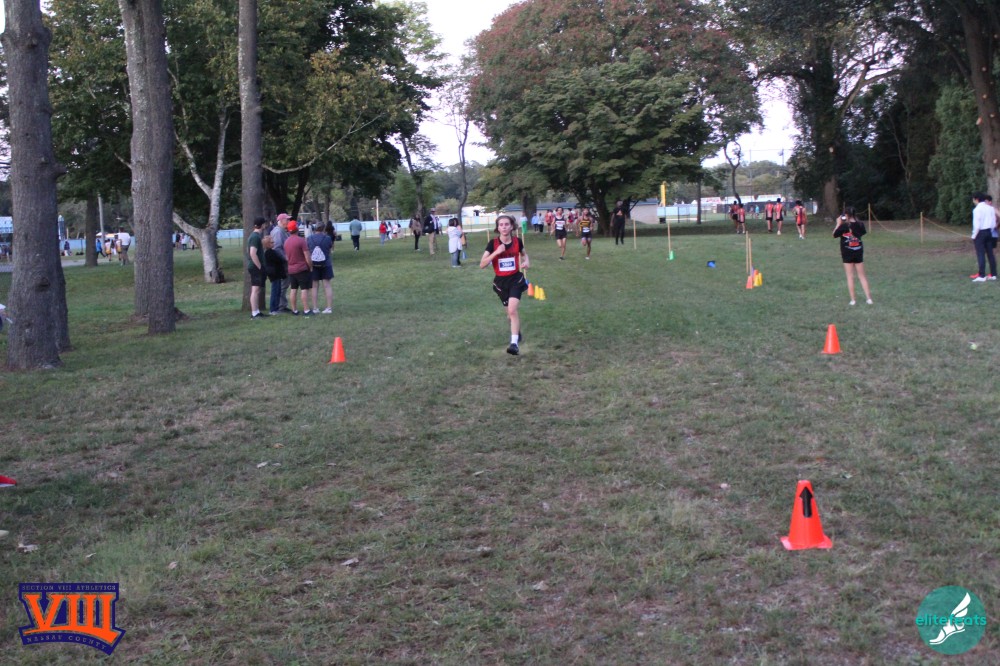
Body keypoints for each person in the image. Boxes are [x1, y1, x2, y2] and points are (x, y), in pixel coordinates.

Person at [480, 215, 530, 355]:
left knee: (512, 310)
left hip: (516, 280)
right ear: (498, 227)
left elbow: (524, 255)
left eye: (507, 224)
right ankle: (516, 331)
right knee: (509, 314)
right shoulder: (493, 244)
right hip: (501, 283)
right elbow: (482, 264)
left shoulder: (517, 241)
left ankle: (514, 344)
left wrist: (527, 262)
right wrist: (496, 252)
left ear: (511, 226)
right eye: (501, 225)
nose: (504, 227)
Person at [833, 206, 873, 305]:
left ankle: (853, 300)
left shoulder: (844, 226)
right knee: (862, 276)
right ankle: (869, 299)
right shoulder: (860, 224)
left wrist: (838, 223)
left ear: (846, 215)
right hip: (858, 251)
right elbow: (862, 233)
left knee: (850, 276)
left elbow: (834, 234)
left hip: (847, 252)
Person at [283, 221, 313, 315]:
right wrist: (310, 267)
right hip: (302, 268)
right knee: (304, 289)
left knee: (293, 289)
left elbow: (287, 256)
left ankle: (294, 310)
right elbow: (307, 256)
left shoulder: (286, 242)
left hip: (291, 269)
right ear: (297, 229)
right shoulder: (301, 241)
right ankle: (306, 310)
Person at [307, 222, 334, 313]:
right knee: (327, 286)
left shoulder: (309, 238)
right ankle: (329, 308)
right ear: (324, 229)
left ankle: (315, 308)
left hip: (313, 264)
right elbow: (329, 248)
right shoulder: (327, 238)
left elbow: (308, 250)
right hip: (326, 263)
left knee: (314, 286)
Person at [970, 192, 997, 282]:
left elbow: (976, 225)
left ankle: (982, 276)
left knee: (980, 254)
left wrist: (974, 235)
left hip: (980, 233)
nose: (973, 201)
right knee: (990, 254)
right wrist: (990, 230)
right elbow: (993, 223)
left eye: (973, 199)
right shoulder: (990, 208)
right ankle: (993, 274)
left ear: (976, 199)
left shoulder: (977, 209)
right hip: (989, 232)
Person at [270, 213, 291, 311]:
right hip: (282, 264)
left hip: (283, 263)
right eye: (287, 219)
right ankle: (280, 305)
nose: (289, 221)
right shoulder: (278, 232)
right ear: (281, 221)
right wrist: (286, 258)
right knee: (283, 284)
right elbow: (277, 248)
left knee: (285, 284)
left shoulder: (283, 231)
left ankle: (282, 304)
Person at [247, 217, 266, 318]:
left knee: (257, 290)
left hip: (256, 266)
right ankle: (254, 313)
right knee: (255, 290)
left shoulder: (256, 236)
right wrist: (260, 267)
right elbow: (252, 253)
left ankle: (257, 311)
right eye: (264, 224)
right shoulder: (255, 237)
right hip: (255, 267)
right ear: (262, 225)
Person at [262, 235, 286, 315]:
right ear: (268, 244)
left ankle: (276, 307)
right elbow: (279, 260)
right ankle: (273, 309)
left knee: (277, 291)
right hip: (274, 274)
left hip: (276, 273)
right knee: (275, 291)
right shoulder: (269, 253)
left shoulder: (271, 252)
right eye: (271, 242)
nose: (273, 243)